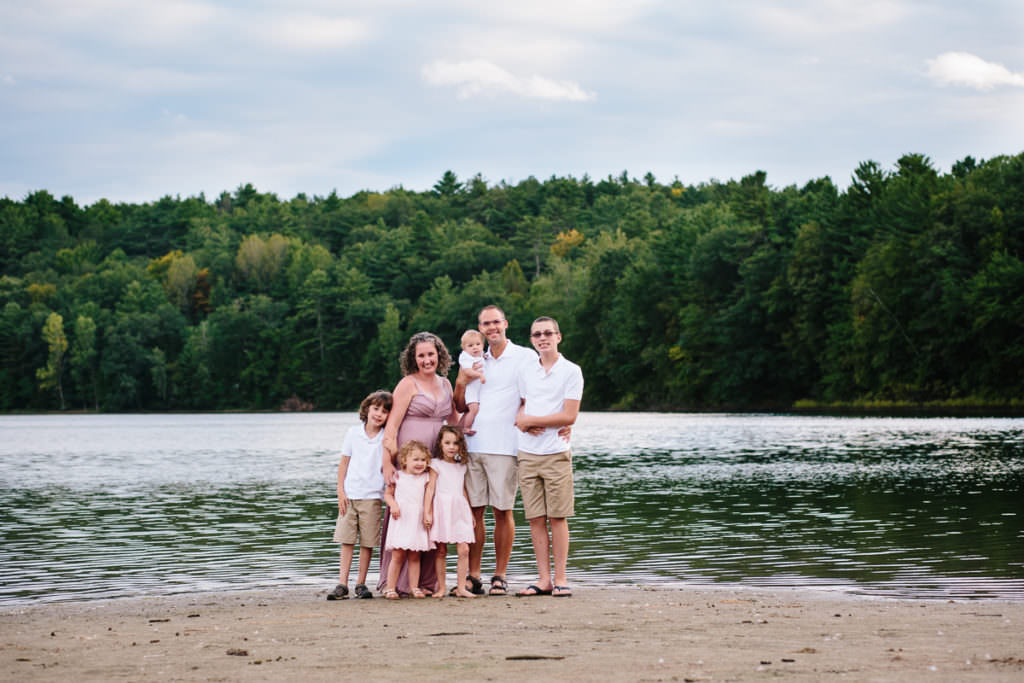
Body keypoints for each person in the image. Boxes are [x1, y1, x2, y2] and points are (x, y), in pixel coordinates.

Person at [453, 305, 537, 596]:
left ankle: (499, 575)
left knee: (503, 511)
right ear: (480, 328)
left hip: (506, 445)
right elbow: (460, 404)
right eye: (485, 324)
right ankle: (473, 574)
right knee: (473, 512)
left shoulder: (525, 357)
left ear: (505, 323)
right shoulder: (473, 357)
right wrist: (461, 381)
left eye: (495, 322)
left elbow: (534, 396)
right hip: (473, 445)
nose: (491, 328)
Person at [377, 331, 458, 596]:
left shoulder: (446, 384)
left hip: (435, 460)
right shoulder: (407, 384)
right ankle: (397, 582)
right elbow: (391, 429)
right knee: (406, 515)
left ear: (439, 355)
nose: (426, 360)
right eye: (421, 355)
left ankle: (426, 581)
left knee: (429, 515)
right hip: (408, 459)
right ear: (413, 358)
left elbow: (456, 423)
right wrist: (387, 463)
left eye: (430, 354)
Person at [513, 316, 583, 598]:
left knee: (558, 517)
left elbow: (570, 415)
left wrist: (534, 420)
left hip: (555, 452)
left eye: (548, 333)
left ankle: (561, 578)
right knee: (535, 518)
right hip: (527, 453)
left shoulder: (571, 371)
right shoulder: (526, 370)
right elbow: (520, 408)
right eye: (537, 334)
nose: (543, 338)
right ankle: (543, 579)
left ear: (558, 336)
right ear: (532, 340)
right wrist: (524, 421)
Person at [327, 389, 392, 601]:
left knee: (367, 542)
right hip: (350, 495)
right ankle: (342, 583)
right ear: (367, 409)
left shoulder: (386, 437)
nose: (379, 414)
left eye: (384, 411)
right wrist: (340, 491)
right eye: (376, 409)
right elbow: (344, 463)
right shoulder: (354, 432)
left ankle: (361, 583)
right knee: (347, 540)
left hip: (373, 497)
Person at [428, 425, 476, 598]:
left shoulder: (461, 466)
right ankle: (441, 587)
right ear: (440, 443)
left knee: (464, 549)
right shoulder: (435, 464)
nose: (451, 447)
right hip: (441, 508)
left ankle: (461, 587)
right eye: (447, 442)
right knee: (441, 550)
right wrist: (427, 512)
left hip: (459, 509)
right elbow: (430, 488)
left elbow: (463, 489)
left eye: (455, 443)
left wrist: (469, 512)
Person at [382, 440, 434, 599]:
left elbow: (428, 498)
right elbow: (387, 495)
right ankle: (390, 587)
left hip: (417, 520)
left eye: (423, 460)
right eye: (416, 459)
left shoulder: (426, 478)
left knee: (415, 556)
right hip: (401, 519)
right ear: (404, 460)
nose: (420, 463)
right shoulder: (398, 476)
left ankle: (413, 586)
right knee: (397, 555)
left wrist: (427, 514)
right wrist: (393, 505)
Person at [458, 329, 486, 434]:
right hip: (471, 390)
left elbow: (483, 358)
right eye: (470, 346)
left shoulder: (481, 355)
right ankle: (466, 427)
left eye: (478, 344)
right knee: (473, 409)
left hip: (480, 389)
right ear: (464, 348)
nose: (475, 347)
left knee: (478, 408)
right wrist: (479, 375)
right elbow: (468, 371)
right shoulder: (465, 357)